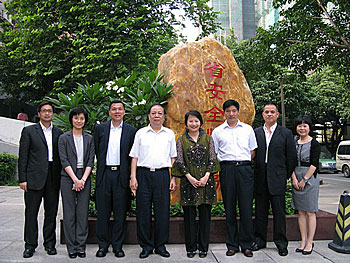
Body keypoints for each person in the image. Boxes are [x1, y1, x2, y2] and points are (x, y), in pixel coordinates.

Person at [129, 102, 177, 259]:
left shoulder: (169, 134)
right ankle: (146, 246)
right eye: (153, 113)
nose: (156, 116)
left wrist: (173, 178)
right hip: (143, 175)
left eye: (159, 113)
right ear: (149, 116)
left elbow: (173, 158)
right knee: (143, 211)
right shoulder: (141, 133)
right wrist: (133, 177)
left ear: (164, 116)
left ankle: (160, 245)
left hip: (162, 175)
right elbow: (134, 156)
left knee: (162, 211)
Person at [212, 99, 257, 258]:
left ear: (238, 111)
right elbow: (215, 153)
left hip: (244, 169)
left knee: (245, 208)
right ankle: (232, 244)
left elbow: (252, 151)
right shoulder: (218, 131)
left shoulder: (248, 129)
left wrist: (241, 163)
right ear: (224, 113)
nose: (231, 114)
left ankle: (246, 244)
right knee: (229, 208)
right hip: (227, 170)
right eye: (228, 111)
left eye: (234, 111)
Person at [171, 110, 220, 258]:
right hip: (188, 182)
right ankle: (191, 248)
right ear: (186, 123)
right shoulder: (181, 140)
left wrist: (206, 176)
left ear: (200, 122)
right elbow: (179, 161)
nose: (194, 124)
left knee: (205, 216)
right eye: (191, 121)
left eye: (196, 121)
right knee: (189, 217)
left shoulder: (208, 138)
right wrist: (189, 177)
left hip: (206, 182)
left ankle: (203, 247)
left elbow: (213, 158)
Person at [18, 101, 63, 258]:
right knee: (31, 213)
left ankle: (49, 244)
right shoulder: (29, 131)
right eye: (44, 111)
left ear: (53, 114)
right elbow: (23, 156)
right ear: (39, 113)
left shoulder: (58, 132)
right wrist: (22, 178)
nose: (47, 113)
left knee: (51, 213)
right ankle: (30, 245)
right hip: (34, 178)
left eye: (50, 111)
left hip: (53, 177)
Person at [251, 103, 297, 256]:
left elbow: (291, 158)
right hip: (260, 178)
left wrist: (285, 175)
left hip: (277, 178)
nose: (269, 114)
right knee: (260, 212)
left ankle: (281, 243)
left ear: (277, 114)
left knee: (279, 213)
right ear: (262, 114)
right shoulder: (256, 132)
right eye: (266, 112)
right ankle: (260, 240)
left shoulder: (285, 133)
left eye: (272, 112)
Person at [94, 101, 136, 258]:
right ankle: (102, 246)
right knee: (103, 213)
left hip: (122, 176)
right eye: (114, 109)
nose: (117, 111)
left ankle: (118, 246)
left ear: (124, 112)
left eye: (120, 109)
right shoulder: (100, 129)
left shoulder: (131, 131)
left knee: (120, 213)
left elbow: (133, 155)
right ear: (109, 112)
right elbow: (97, 150)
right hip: (104, 174)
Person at [58, 107, 95, 258]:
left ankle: (81, 245)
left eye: (81, 118)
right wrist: (75, 179)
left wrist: (83, 180)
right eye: (76, 118)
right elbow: (64, 160)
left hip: (84, 176)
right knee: (69, 213)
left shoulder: (89, 138)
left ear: (85, 120)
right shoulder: (64, 138)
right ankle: (71, 246)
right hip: (68, 177)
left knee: (82, 212)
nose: (79, 121)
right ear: (71, 119)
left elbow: (90, 160)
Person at [291, 115, 320, 255]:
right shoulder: (294, 142)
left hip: (310, 178)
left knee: (310, 211)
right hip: (296, 176)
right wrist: (294, 179)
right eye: (299, 126)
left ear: (309, 127)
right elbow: (290, 161)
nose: (302, 128)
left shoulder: (314, 143)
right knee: (300, 211)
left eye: (304, 126)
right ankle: (303, 240)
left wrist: (305, 180)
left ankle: (310, 241)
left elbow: (314, 163)